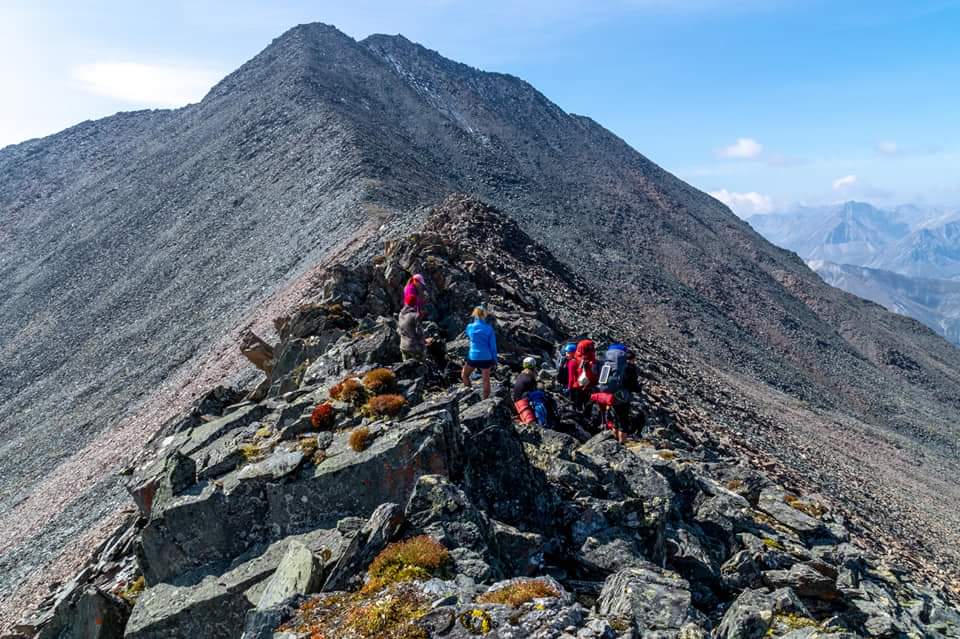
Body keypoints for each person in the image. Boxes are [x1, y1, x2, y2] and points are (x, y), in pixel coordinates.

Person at [462, 306, 497, 399]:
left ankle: (470, 394)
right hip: (486, 357)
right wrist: (494, 360)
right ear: (484, 315)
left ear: (474, 314)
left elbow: (469, 336)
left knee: (464, 375)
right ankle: (485, 401)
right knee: (486, 380)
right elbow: (493, 346)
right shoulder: (489, 328)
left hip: (473, 356)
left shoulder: (470, 327)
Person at [567, 339, 598, 415]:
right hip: (590, 387)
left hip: (577, 387)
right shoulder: (593, 360)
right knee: (587, 408)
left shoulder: (574, 361)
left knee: (577, 409)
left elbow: (571, 378)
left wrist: (569, 388)